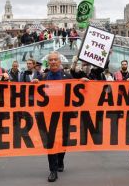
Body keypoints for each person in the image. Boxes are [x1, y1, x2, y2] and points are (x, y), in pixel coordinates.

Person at [39, 51, 73, 182]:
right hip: (49, 115)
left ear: (59, 62)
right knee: (51, 141)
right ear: (48, 62)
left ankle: (60, 160)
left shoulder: (68, 76)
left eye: (55, 60)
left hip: (65, 114)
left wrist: (83, 83)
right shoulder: (43, 77)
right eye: (51, 60)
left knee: (63, 139)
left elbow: (77, 91)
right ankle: (52, 170)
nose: (53, 62)